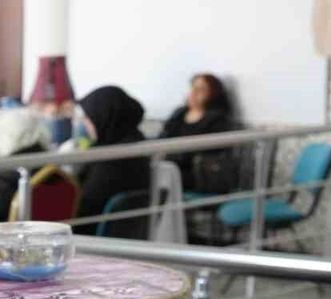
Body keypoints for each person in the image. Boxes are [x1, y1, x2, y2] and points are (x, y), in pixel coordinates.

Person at [74, 85, 151, 237]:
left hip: (89, 238)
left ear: (104, 117)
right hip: (124, 238)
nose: (85, 123)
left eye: (88, 118)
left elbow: (85, 208)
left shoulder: (111, 161)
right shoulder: (136, 146)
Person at [159, 73, 236, 192]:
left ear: (212, 94)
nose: (194, 93)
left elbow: (206, 152)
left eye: (201, 90)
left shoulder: (217, 119)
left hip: (196, 172)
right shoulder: (180, 113)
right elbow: (163, 136)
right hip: (169, 164)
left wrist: (170, 155)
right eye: (193, 88)